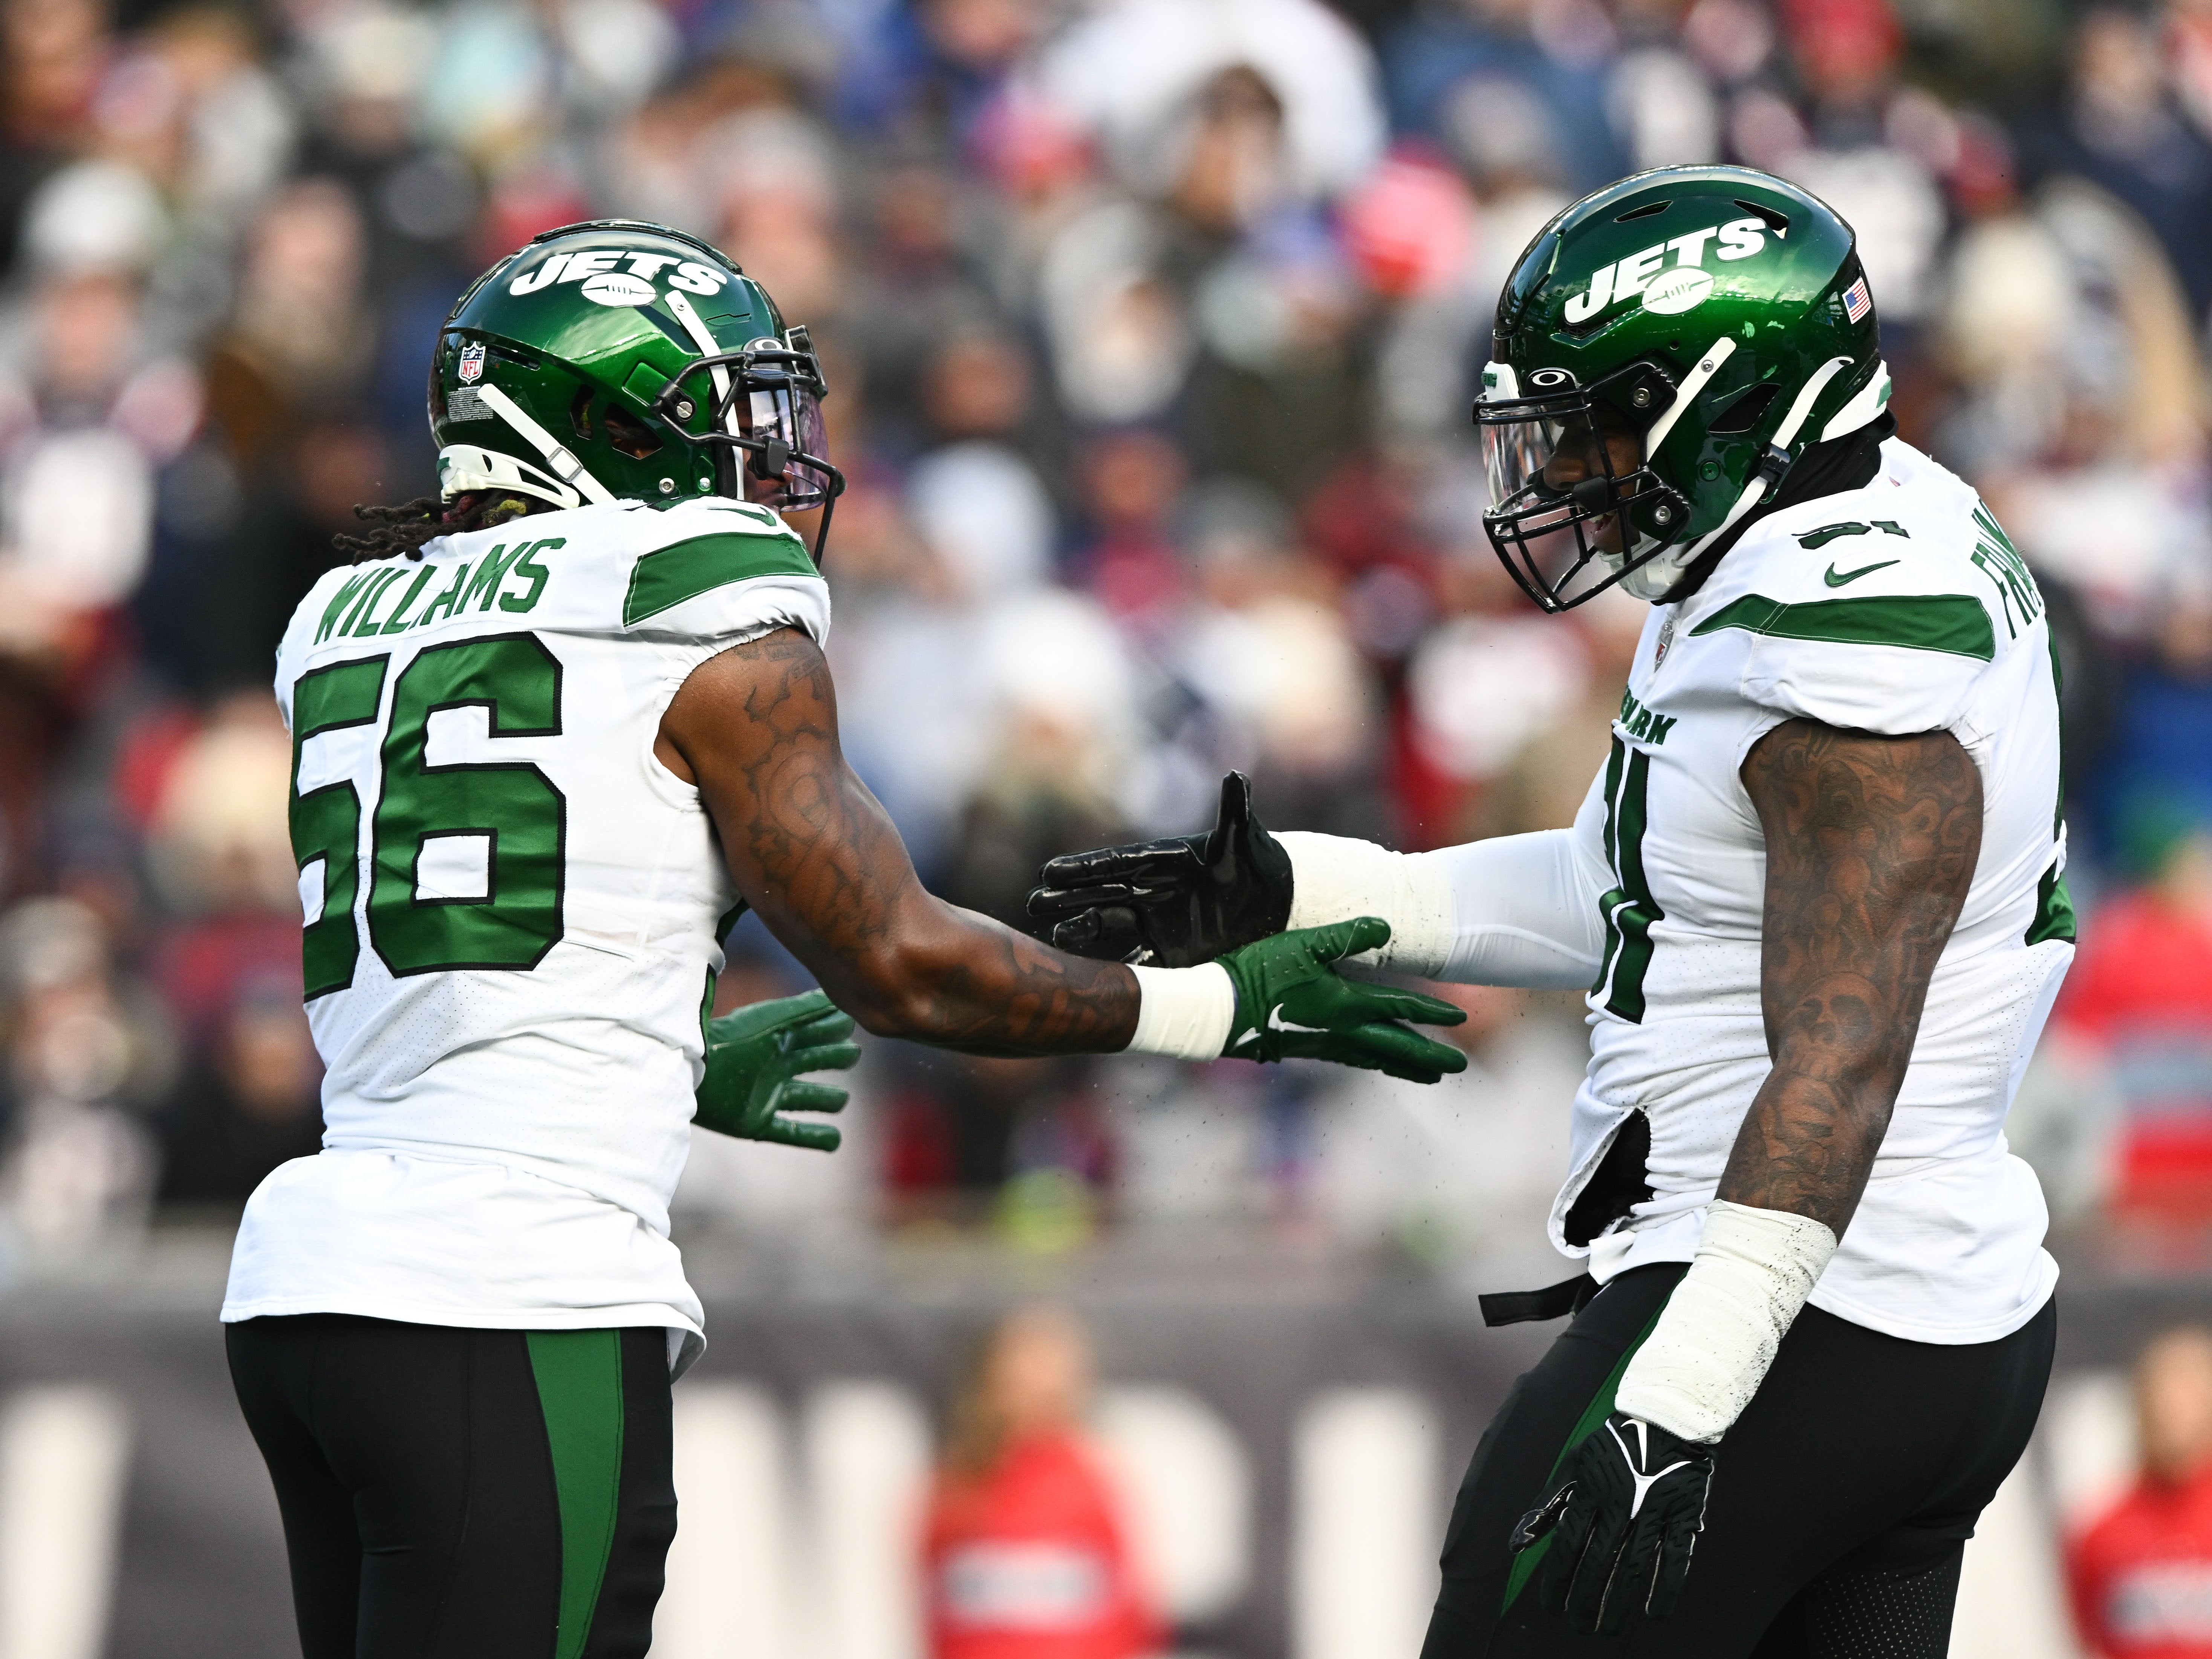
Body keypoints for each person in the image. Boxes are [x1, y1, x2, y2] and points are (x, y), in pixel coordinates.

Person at [220, 218, 1467, 1659]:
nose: (755, 460)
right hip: (509, 1286)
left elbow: (463, 960)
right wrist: (1212, 1005)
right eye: (707, 418)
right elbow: (901, 962)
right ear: (594, 430)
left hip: (311, 1288)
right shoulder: (688, 597)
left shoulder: (346, 613)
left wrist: (663, 1055)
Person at [1031, 166, 2070, 1656]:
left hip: (1799, 1312)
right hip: (1906, 1307)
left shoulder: (1846, 642)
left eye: (1602, 421)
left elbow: (1841, 1062)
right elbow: (1627, 894)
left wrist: (1677, 1400)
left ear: (1735, 404)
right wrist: (1301, 888)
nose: (1566, 464)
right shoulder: (1822, 534)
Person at [921, 1307, 1160, 1659]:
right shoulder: (955, 1486)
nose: (1040, 1378)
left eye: (1051, 1363)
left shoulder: (1093, 1479)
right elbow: (933, 1607)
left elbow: (1133, 1612)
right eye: (1028, 1360)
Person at [2069, 1325, 2212, 1659]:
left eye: (2188, 1393)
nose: (2172, 1408)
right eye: (2161, 1393)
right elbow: (2089, 1637)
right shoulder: (2100, 1534)